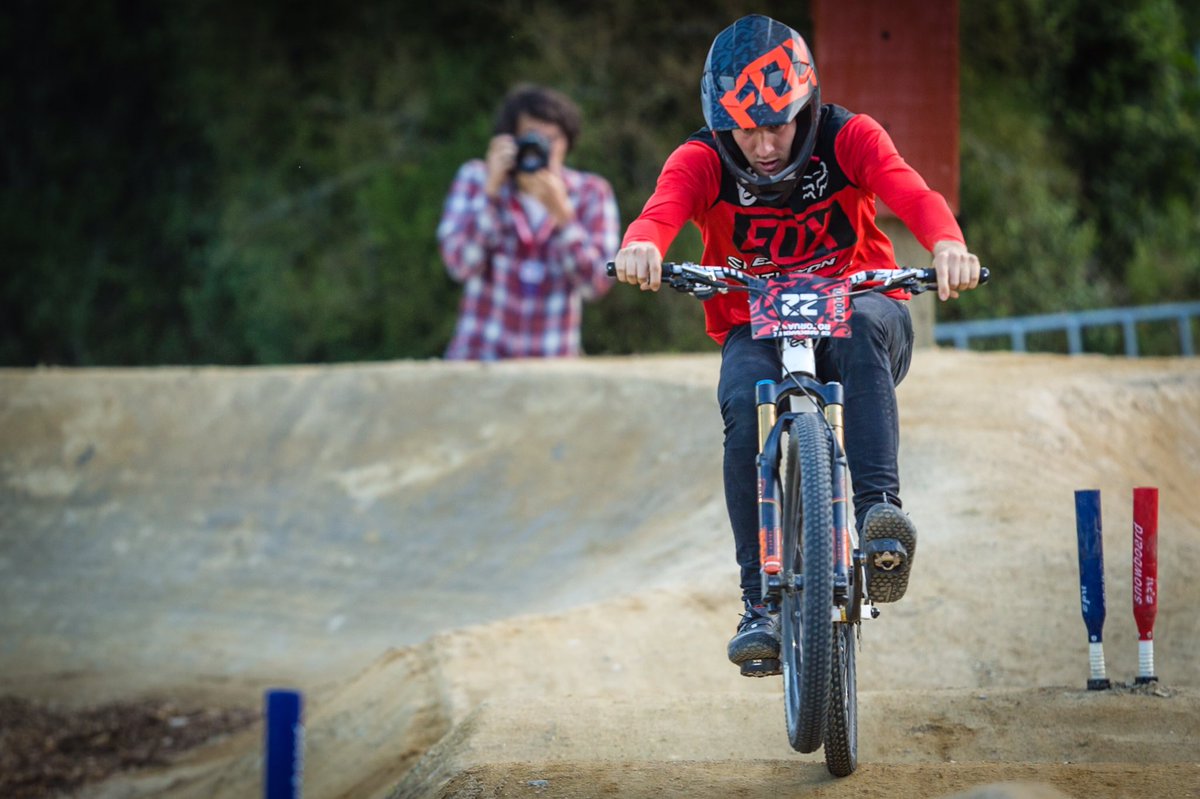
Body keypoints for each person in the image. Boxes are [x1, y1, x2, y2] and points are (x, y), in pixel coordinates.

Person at [611, 15, 983, 675]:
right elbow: (661, 210)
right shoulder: (702, 158)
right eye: (744, 128)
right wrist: (642, 245)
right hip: (755, 320)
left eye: (775, 124)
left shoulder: (848, 137)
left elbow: (912, 190)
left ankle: (879, 520)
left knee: (865, 325)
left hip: (860, 305)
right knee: (739, 406)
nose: (760, 144)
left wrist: (948, 244)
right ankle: (758, 600)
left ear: (803, 105)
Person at [438, 84, 620, 360]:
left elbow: (596, 284)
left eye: (552, 139)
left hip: (552, 365)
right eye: (531, 138)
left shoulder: (591, 193)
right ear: (509, 140)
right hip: (478, 360)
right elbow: (459, 265)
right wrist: (491, 195)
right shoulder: (477, 178)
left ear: (567, 142)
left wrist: (563, 216)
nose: (541, 149)